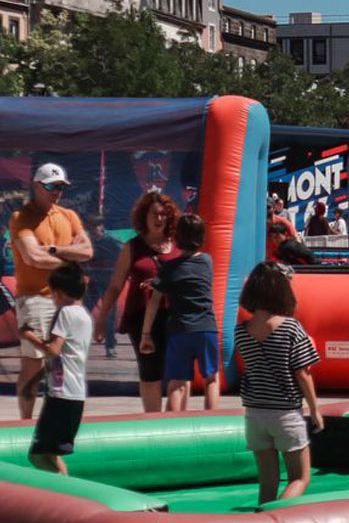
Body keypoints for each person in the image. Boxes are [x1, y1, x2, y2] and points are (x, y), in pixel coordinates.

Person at [235, 261, 324, 504]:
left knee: (268, 482)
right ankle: (275, 519)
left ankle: (261, 522)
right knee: (300, 478)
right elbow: (302, 372)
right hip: (285, 414)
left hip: (254, 414)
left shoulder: (241, 330)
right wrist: (315, 409)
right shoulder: (291, 328)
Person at [11, 163, 92, 420]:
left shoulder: (69, 216)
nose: (56, 191)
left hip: (65, 300)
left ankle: (52, 420)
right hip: (35, 297)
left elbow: (88, 251)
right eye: (50, 186)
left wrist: (54, 250)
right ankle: (25, 423)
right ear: (36, 186)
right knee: (33, 365)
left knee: (61, 364)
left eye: (60, 187)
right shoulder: (21, 217)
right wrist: (71, 260)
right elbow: (32, 257)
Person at [91, 189, 177, 413]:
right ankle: (153, 421)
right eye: (154, 214)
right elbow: (115, 286)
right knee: (150, 371)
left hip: (174, 316)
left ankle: (176, 425)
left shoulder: (177, 246)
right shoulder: (132, 247)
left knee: (177, 373)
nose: (159, 219)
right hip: (140, 317)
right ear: (144, 217)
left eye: (163, 214)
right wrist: (101, 319)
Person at [139, 214, 221, 413]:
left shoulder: (169, 268)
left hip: (179, 330)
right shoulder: (207, 262)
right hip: (206, 328)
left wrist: (146, 334)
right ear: (202, 238)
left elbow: (155, 299)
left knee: (177, 383)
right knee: (211, 379)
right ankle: (212, 421)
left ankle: (172, 426)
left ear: (176, 238)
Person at [24, 263, 92, 475]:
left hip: (62, 396)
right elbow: (61, 359)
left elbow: (53, 350)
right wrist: (34, 381)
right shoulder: (84, 315)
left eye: (52, 295)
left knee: (38, 455)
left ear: (59, 293)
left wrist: (28, 336)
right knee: (51, 454)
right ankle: (63, 494)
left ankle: (67, 495)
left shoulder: (66, 313)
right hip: (74, 395)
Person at [86, 214, 123, 358]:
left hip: (109, 282)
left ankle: (110, 346)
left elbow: (124, 258)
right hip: (94, 282)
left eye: (96, 226)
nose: (93, 230)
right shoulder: (89, 241)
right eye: (91, 227)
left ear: (101, 226)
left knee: (109, 315)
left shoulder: (112, 241)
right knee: (82, 310)